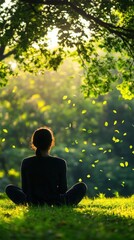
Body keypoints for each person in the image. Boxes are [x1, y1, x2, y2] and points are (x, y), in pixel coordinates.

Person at [5, 126, 87, 206]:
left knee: (10, 189)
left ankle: (28, 203)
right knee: (81, 187)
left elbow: (25, 190)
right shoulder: (60, 163)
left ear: (34, 143)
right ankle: (61, 204)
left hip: (32, 202)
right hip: (55, 202)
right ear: (51, 142)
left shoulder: (26, 162)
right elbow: (63, 190)